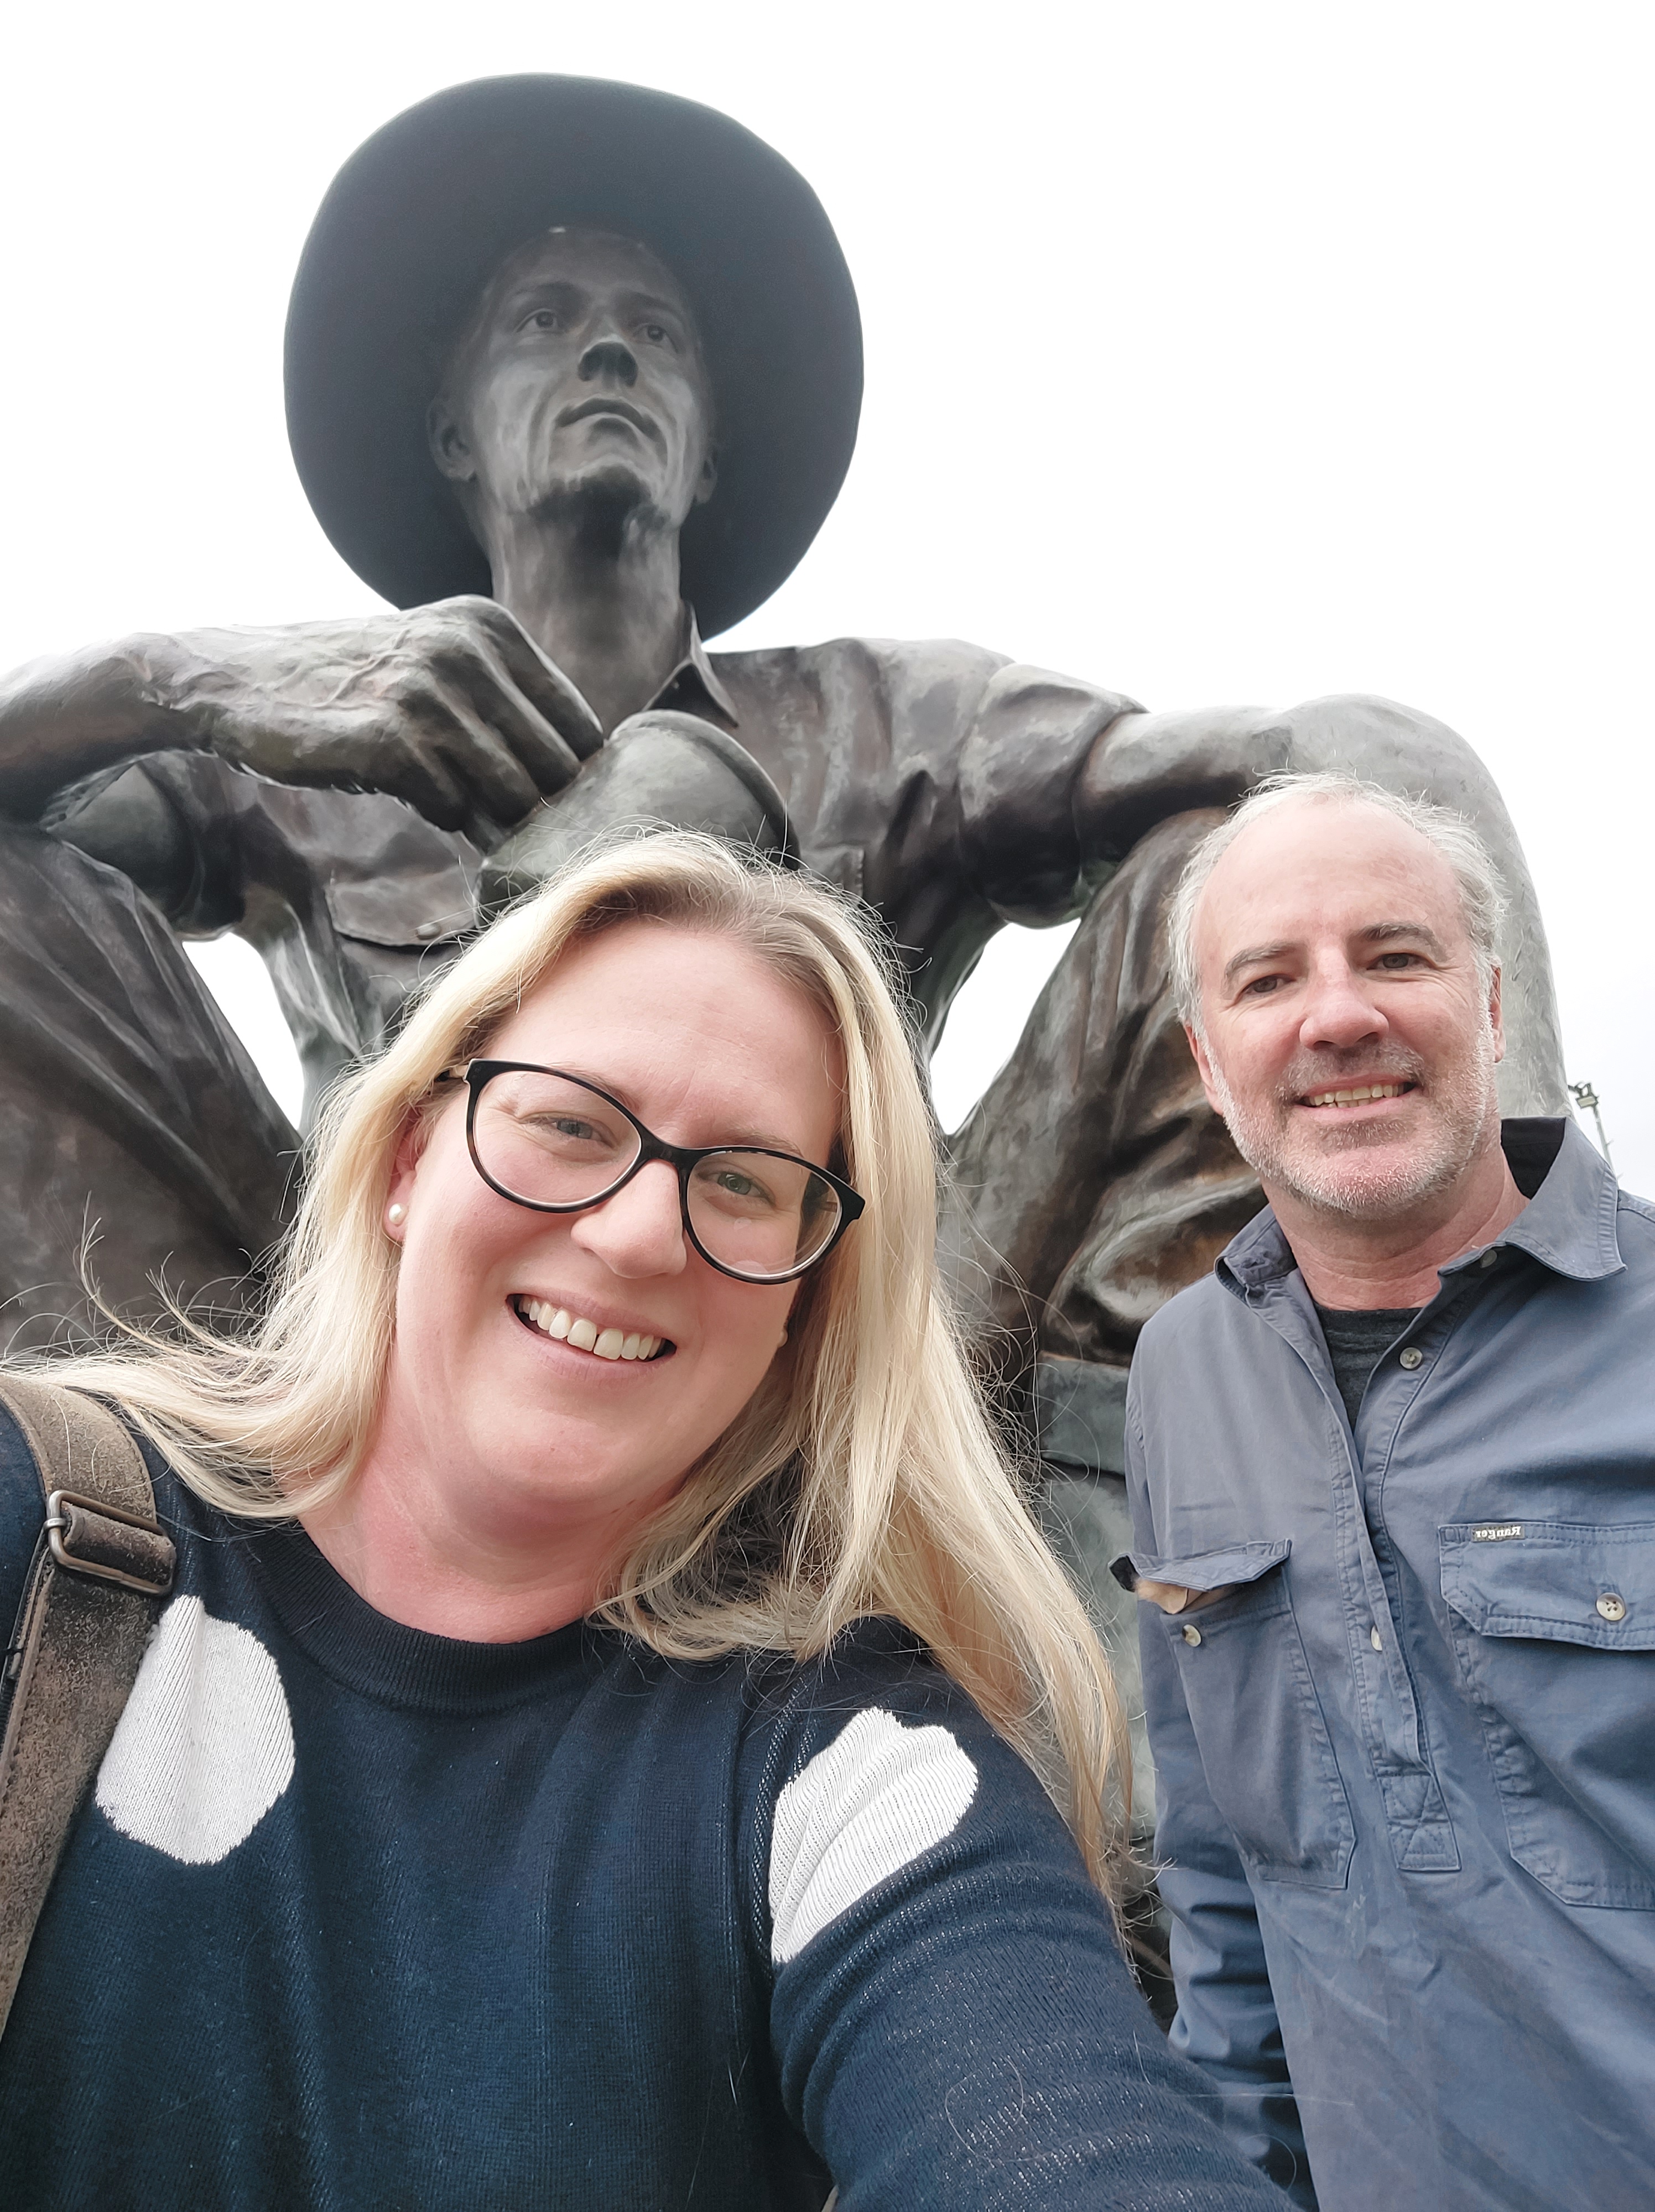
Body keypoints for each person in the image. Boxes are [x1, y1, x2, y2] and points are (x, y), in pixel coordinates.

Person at [0, 76, 1565, 1503]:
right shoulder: (286, 743)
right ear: (449, 436)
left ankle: (1301, 1479)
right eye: (544, 319)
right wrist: (178, 681)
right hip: (363, 1357)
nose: (608, 351)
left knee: (1267, 863)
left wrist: (1537, 1267)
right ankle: (123, 1550)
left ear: (705, 460)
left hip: (829, 1370)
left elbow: (1330, 759)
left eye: (657, 333)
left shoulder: (884, 715)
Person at [0, 830, 1286, 2206]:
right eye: (567, 1123)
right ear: (408, 1155)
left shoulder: (840, 1757)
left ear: (804, 1305)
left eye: (741, 1179)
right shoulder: (39, 1525)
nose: (632, 1235)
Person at [1118, 771, 1655, 2209]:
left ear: (1491, 1002)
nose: (1337, 1015)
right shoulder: (1180, 1373)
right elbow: (1223, 1885)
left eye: (1394, 954)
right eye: (1268, 979)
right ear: (1208, 1059)